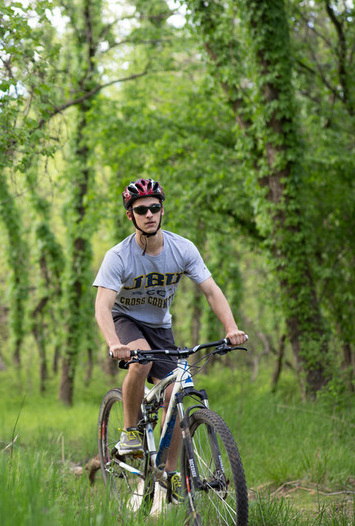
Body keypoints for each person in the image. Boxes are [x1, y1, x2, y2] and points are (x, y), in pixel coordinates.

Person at [93, 178, 246, 516]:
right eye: (141, 210)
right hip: (126, 320)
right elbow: (102, 305)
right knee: (141, 362)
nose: (149, 214)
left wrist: (231, 328)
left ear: (162, 210)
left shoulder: (182, 249)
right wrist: (114, 343)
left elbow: (211, 290)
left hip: (161, 327)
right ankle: (131, 432)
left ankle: (168, 475)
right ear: (131, 216)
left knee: (176, 390)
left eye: (155, 208)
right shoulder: (118, 256)